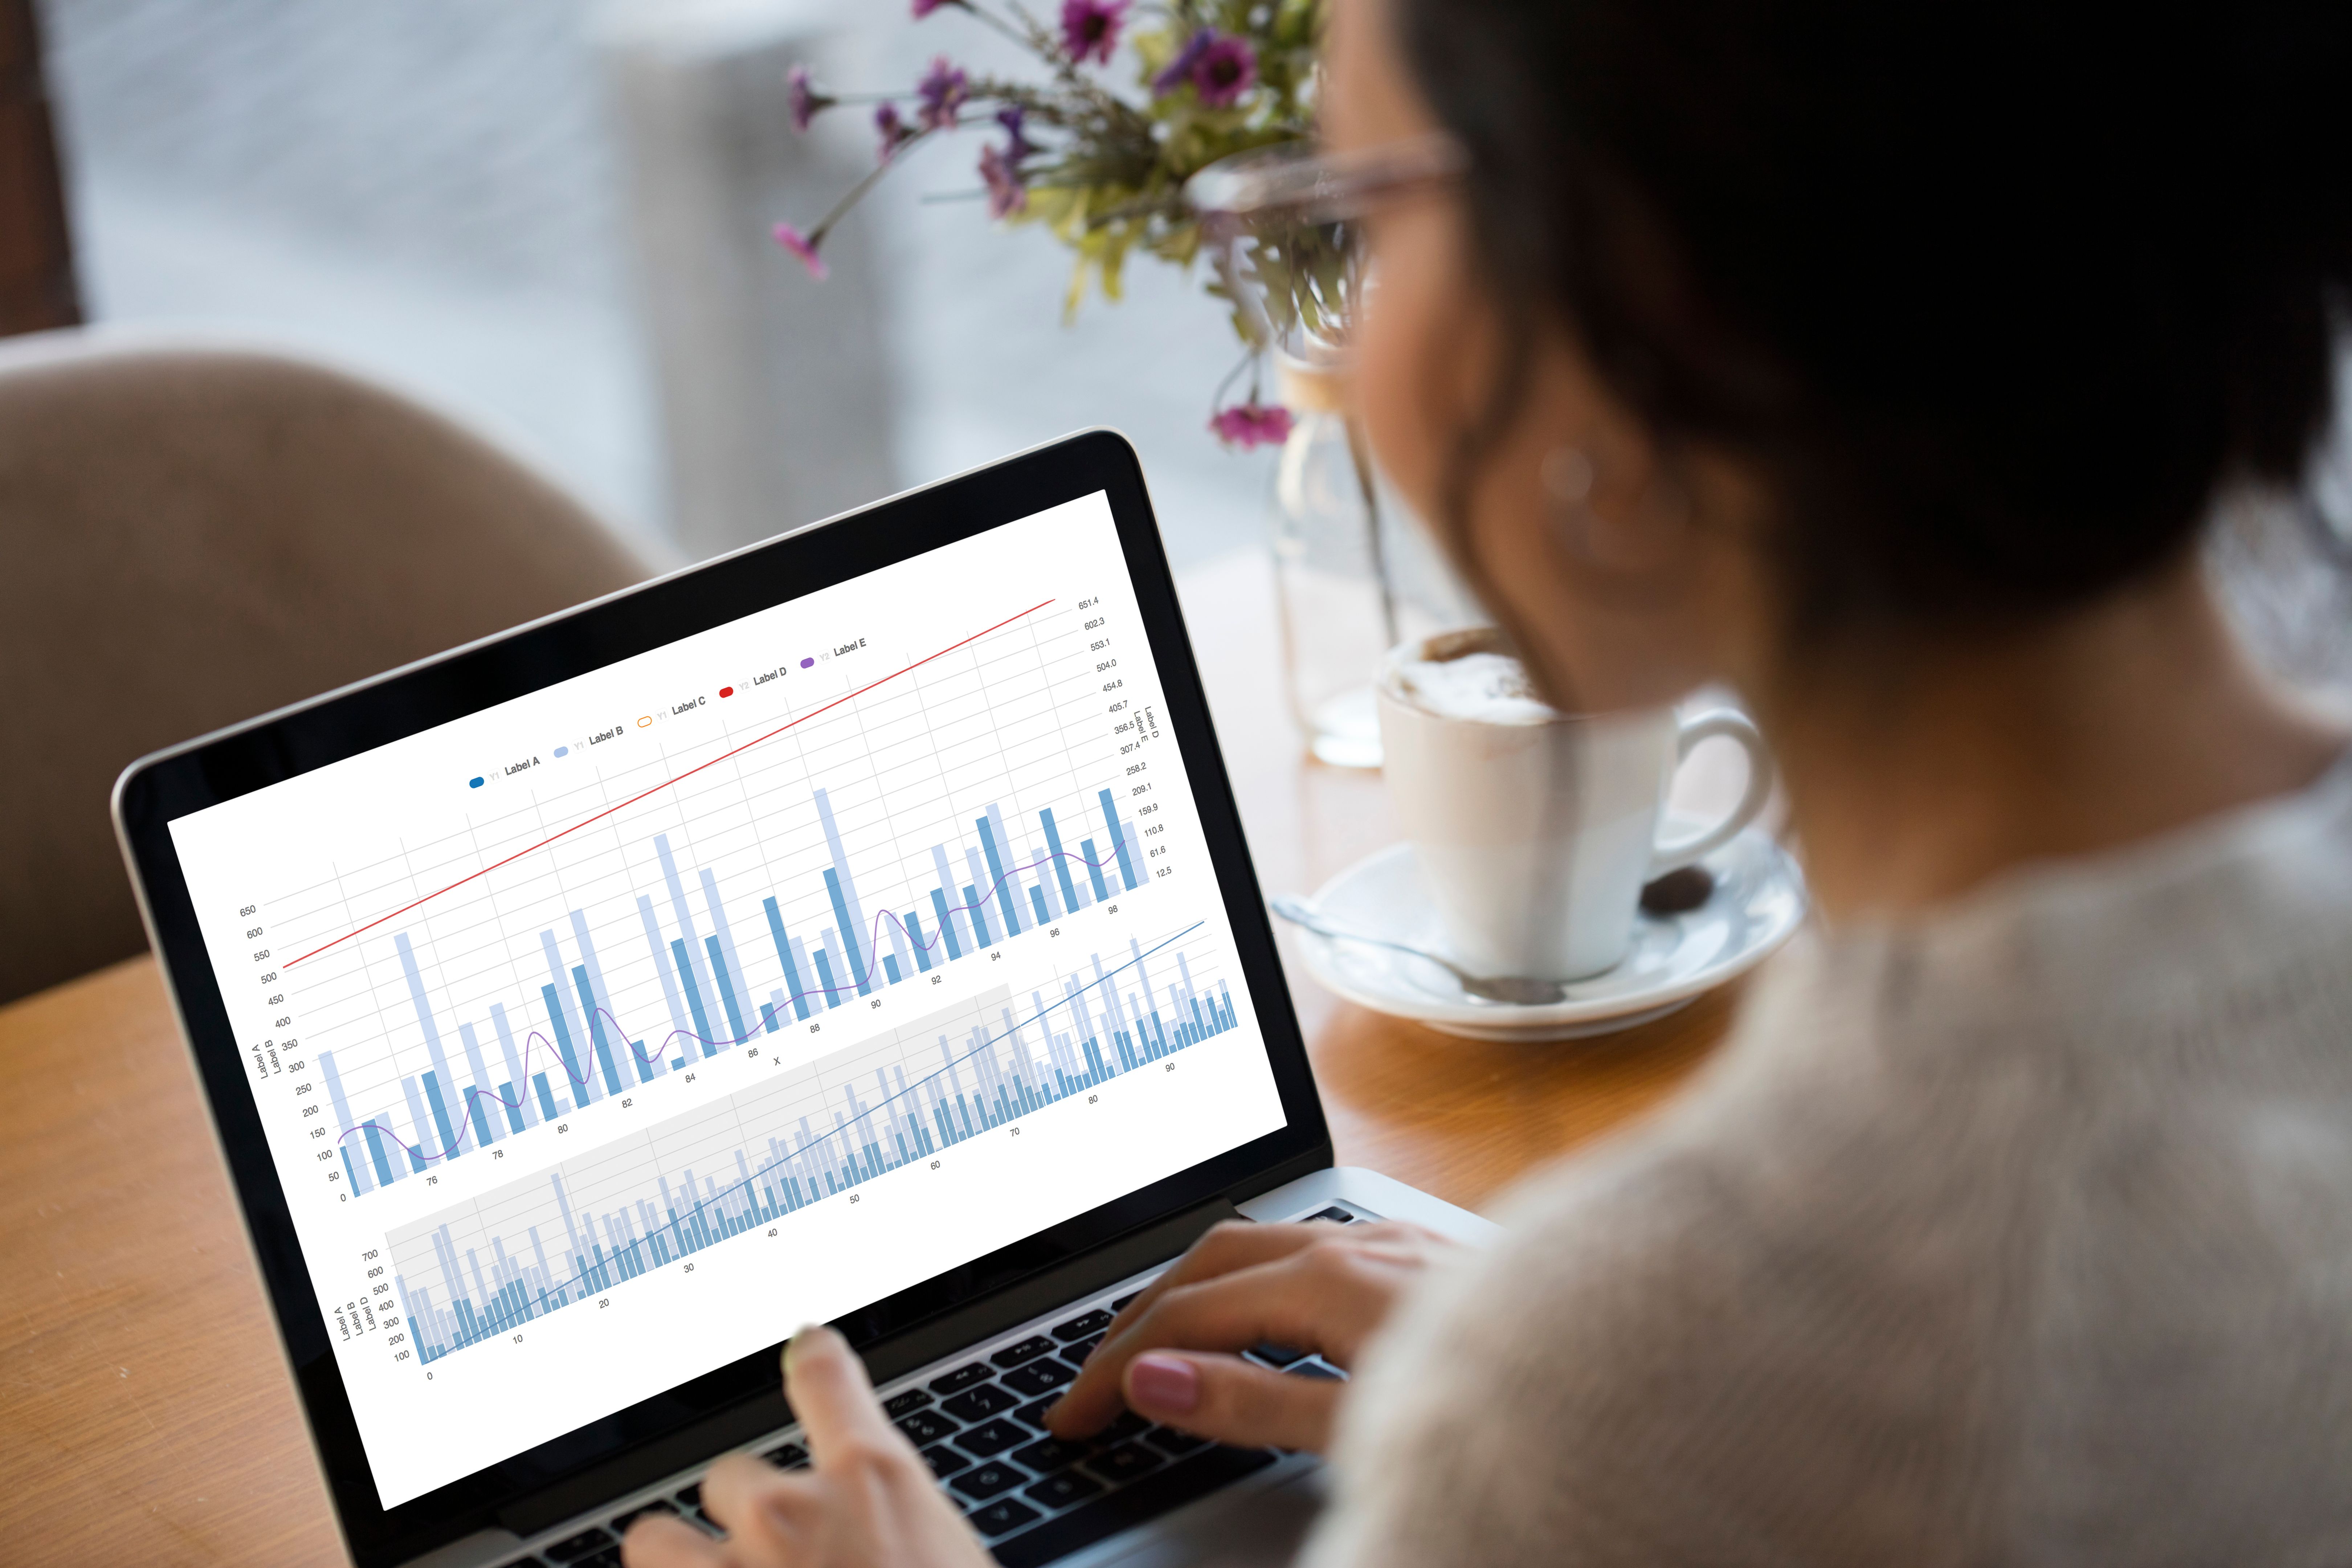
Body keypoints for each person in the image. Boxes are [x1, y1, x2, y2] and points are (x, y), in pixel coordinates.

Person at [624, 0, 2352, 1561]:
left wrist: (1593, 1390)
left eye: (1364, 225)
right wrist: (1591, 1354)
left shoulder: (1618, 1408)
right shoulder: (1640, 1377)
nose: (1335, 349)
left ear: (1638, 321)